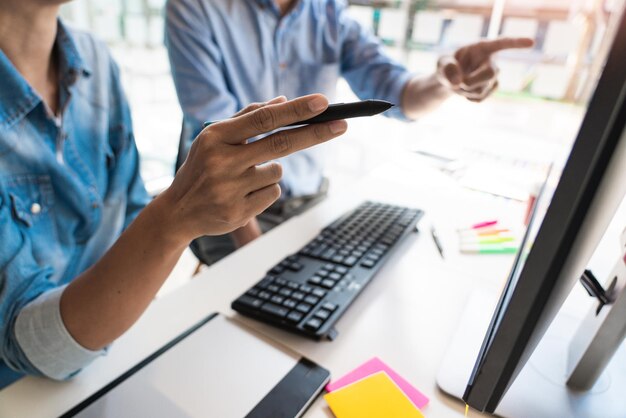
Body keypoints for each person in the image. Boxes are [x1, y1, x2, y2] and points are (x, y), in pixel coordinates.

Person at [0, 0, 347, 386]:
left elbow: (129, 212)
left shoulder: (93, 59)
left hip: (115, 354)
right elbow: (33, 345)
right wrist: (175, 218)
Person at [165, 0, 534, 264]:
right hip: (228, 215)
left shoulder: (327, 11)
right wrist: (260, 266)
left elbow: (399, 93)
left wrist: (444, 81)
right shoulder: (194, 7)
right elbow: (219, 155)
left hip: (308, 199)